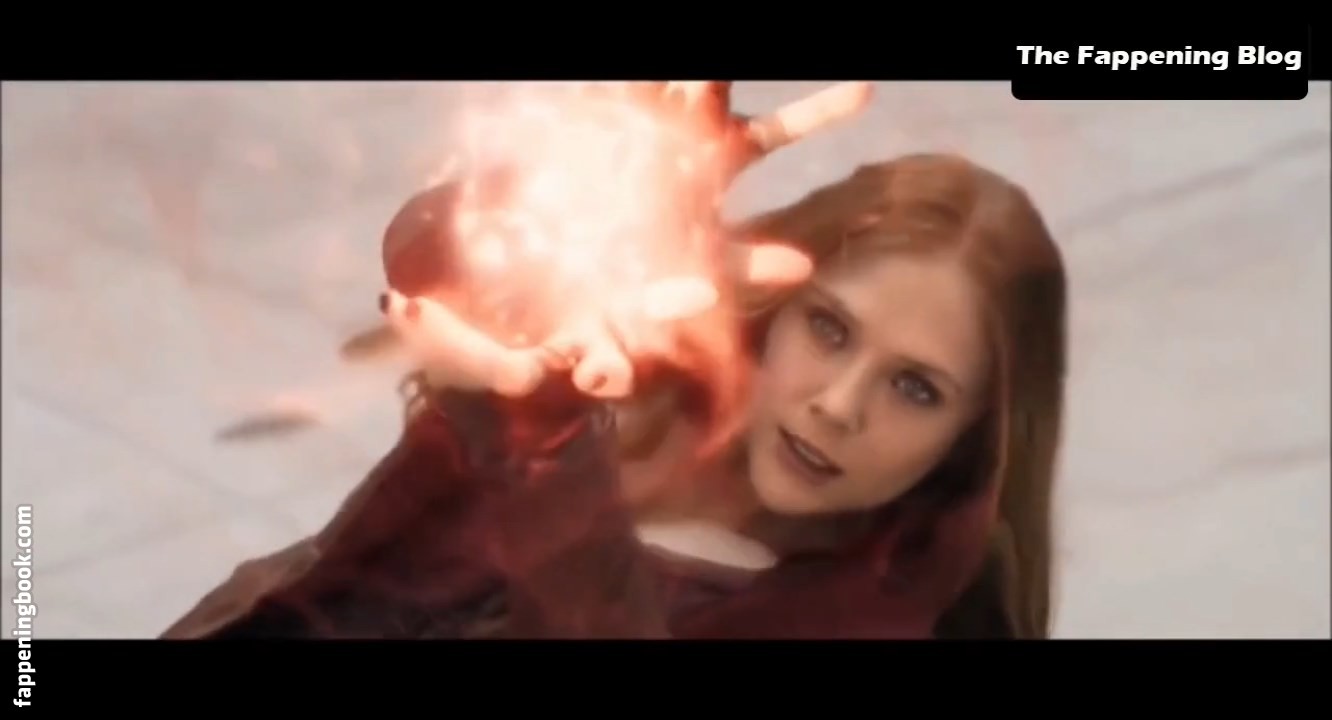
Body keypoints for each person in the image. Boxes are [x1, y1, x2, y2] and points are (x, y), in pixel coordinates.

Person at [162, 82, 1067, 640]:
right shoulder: (636, 379)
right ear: (778, 310)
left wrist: (541, 437)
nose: (838, 404)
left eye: (915, 387)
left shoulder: (875, 614)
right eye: (829, 329)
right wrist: (602, 207)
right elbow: (424, 260)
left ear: (973, 439)